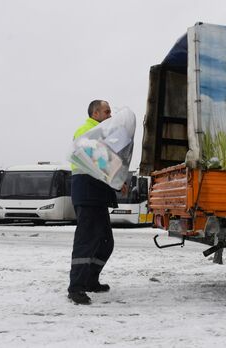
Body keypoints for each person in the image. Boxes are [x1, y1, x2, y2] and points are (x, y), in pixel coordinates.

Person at [67, 100, 128, 305]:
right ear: (95, 113)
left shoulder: (101, 131)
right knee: (86, 242)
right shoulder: (86, 131)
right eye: (107, 111)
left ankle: (90, 280)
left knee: (105, 243)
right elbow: (97, 160)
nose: (110, 115)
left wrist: (119, 180)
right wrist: (117, 178)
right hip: (87, 192)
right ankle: (76, 287)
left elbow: (107, 161)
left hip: (97, 194)